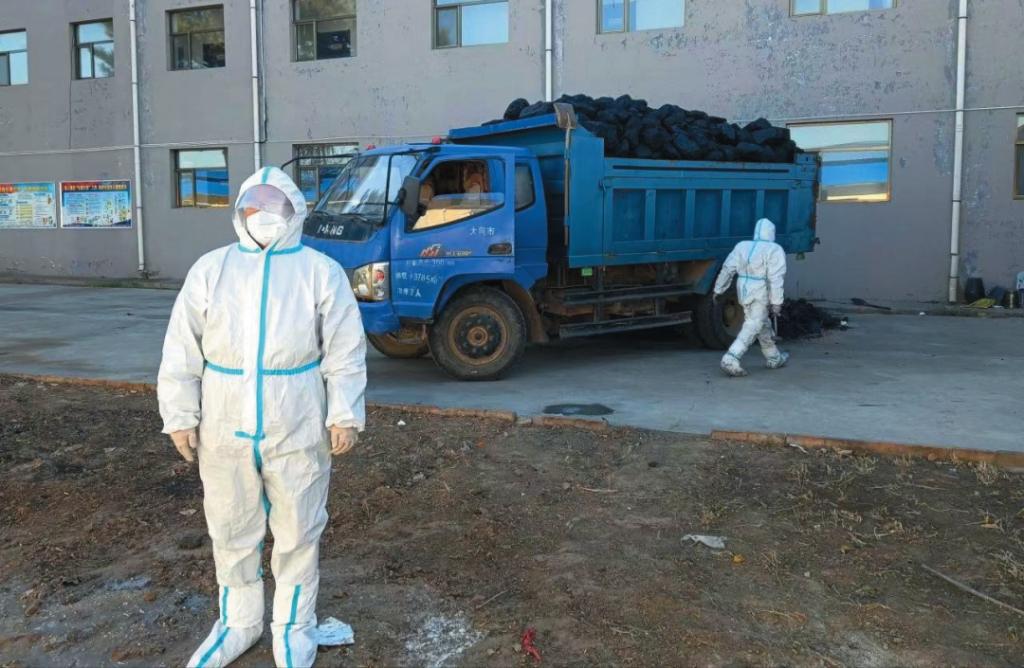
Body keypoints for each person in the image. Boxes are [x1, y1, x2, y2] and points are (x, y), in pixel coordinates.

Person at [158, 166, 367, 668]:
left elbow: (345, 349)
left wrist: (344, 412)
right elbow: (182, 347)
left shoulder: (320, 271)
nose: (263, 216)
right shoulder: (212, 269)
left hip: (296, 417)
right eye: (254, 206)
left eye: (275, 207)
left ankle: (294, 625)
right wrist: (180, 414)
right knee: (230, 526)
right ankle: (240, 621)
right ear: (239, 212)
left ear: (295, 212)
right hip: (223, 420)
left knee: (299, 527)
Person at [712, 217, 788, 377]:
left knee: (761, 322)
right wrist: (777, 302)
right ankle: (731, 357)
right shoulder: (774, 249)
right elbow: (776, 278)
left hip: (743, 289)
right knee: (754, 324)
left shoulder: (742, 246)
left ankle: (773, 356)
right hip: (760, 290)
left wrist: (719, 289)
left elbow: (728, 269)